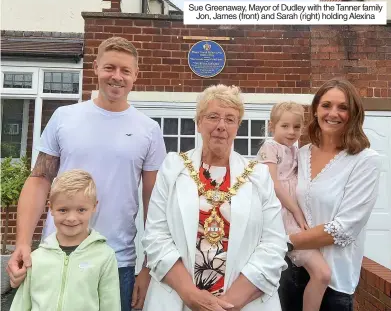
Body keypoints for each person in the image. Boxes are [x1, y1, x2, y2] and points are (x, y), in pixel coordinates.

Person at [6, 36, 166, 311]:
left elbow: (155, 202)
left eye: (125, 71)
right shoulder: (64, 117)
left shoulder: (148, 130)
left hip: (118, 261)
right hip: (56, 254)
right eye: (109, 68)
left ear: (135, 75)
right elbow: (39, 181)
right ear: (95, 67)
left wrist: (148, 267)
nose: (117, 77)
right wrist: (22, 243)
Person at [141, 84, 287, 311]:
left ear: (238, 126)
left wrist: (229, 304)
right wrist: (191, 296)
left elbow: (274, 243)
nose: (221, 126)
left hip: (242, 303)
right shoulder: (173, 167)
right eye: (213, 117)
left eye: (230, 119)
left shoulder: (258, 175)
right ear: (199, 122)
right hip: (178, 299)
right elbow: (156, 236)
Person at [278, 78, 381, 311]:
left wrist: (283, 241)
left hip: (333, 282)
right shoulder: (301, 154)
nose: (333, 113)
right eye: (326, 105)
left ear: (353, 113)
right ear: (315, 110)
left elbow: (343, 228)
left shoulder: (365, 161)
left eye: (342, 107)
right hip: (291, 271)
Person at [10, 169, 121, 311]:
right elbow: (21, 304)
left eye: (81, 210)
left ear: (94, 207)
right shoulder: (36, 258)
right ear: (51, 208)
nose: (71, 218)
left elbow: (110, 305)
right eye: (63, 210)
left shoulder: (104, 256)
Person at [257, 102, 331, 311]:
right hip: (283, 216)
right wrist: (296, 211)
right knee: (321, 273)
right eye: (285, 126)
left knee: (317, 274)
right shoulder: (270, 148)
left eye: (297, 127)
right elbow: (273, 184)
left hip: (296, 214)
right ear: (272, 126)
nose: (291, 132)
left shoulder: (297, 150)